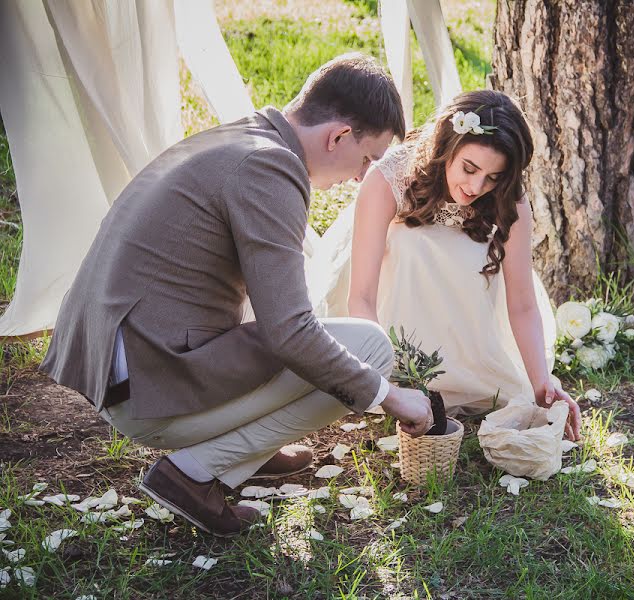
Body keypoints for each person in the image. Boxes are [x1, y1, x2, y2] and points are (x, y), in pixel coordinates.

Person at [39, 53, 433, 537]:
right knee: (370, 349)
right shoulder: (271, 170)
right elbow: (289, 332)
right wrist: (390, 397)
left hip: (120, 367)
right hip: (148, 392)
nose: (359, 177)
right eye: (367, 160)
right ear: (337, 137)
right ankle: (193, 473)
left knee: (317, 338)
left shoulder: (243, 137)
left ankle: (252, 446)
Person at [309, 90, 581, 440]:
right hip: (382, 325)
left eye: (493, 177)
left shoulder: (507, 201)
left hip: (468, 334)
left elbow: (523, 304)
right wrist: (382, 379)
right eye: (469, 168)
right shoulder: (389, 179)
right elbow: (360, 297)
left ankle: (457, 375)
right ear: (446, 146)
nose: (476, 186)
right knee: (410, 241)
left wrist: (542, 385)